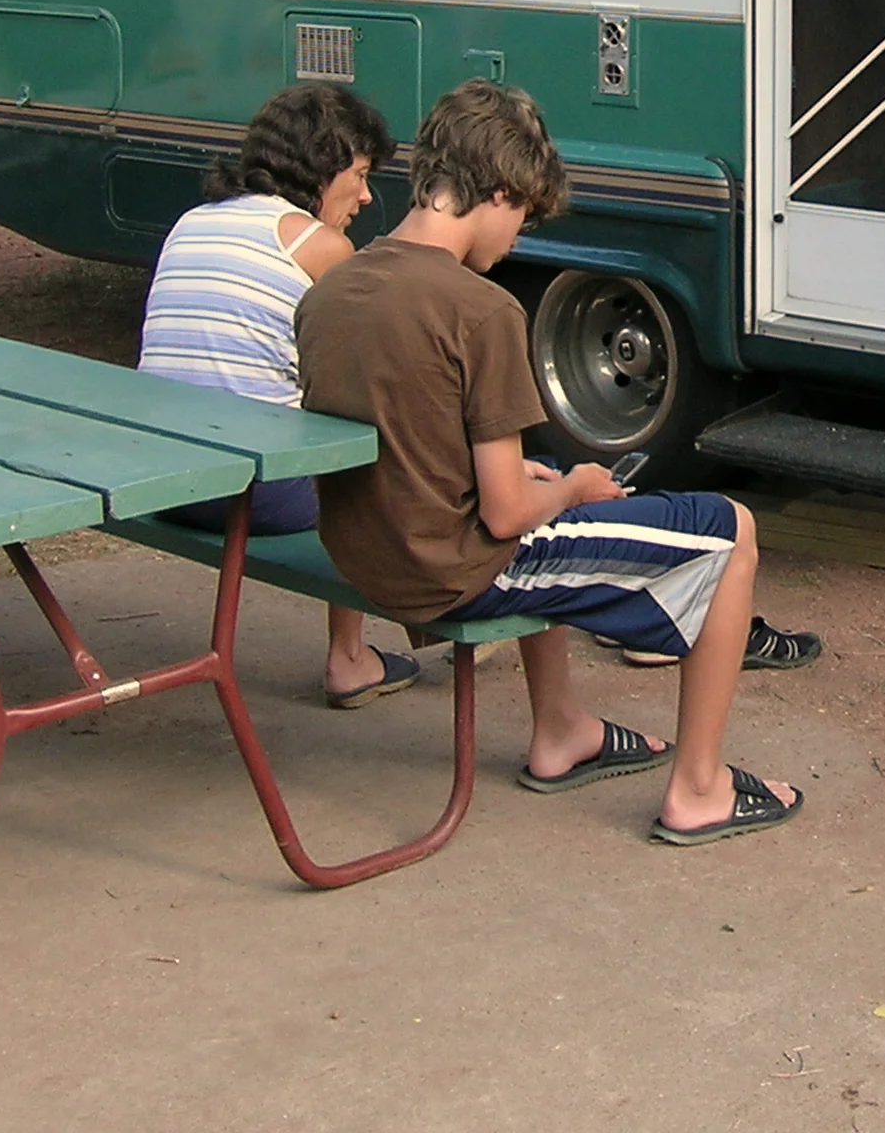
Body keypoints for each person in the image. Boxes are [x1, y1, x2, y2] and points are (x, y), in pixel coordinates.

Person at [298, 79, 804, 845]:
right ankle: (700, 787)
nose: (518, 240)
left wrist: (537, 488)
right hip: (447, 571)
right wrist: (571, 485)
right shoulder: (483, 310)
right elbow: (504, 516)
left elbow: (407, 437)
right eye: (525, 217)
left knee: (537, 490)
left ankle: (563, 729)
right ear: (499, 191)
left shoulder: (336, 284)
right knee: (729, 530)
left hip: (365, 554)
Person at [138, 81, 413, 709]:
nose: (367, 197)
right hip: (250, 495)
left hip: (160, 477)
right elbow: (362, 384)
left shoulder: (191, 223)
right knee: (367, 453)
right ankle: (351, 657)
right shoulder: (319, 247)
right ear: (323, 164)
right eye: (362, 174)